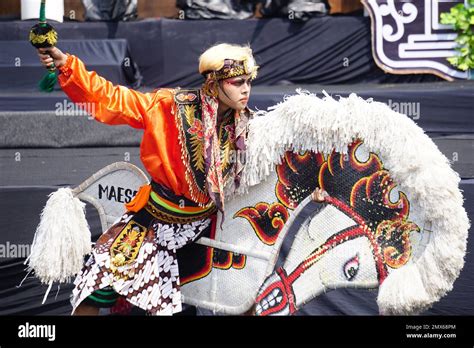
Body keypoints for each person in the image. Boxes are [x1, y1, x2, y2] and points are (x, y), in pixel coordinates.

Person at [37, 43, 259, 315]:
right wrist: (66, 65)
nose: (246, 89)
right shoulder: (168, 105)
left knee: (249, 293)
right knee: (95, 284)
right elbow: (112, 99)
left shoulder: (249, 126)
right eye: (238, 82)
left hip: (210, 223)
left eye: (249, 81)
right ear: (213, 83)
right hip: (156, 218)